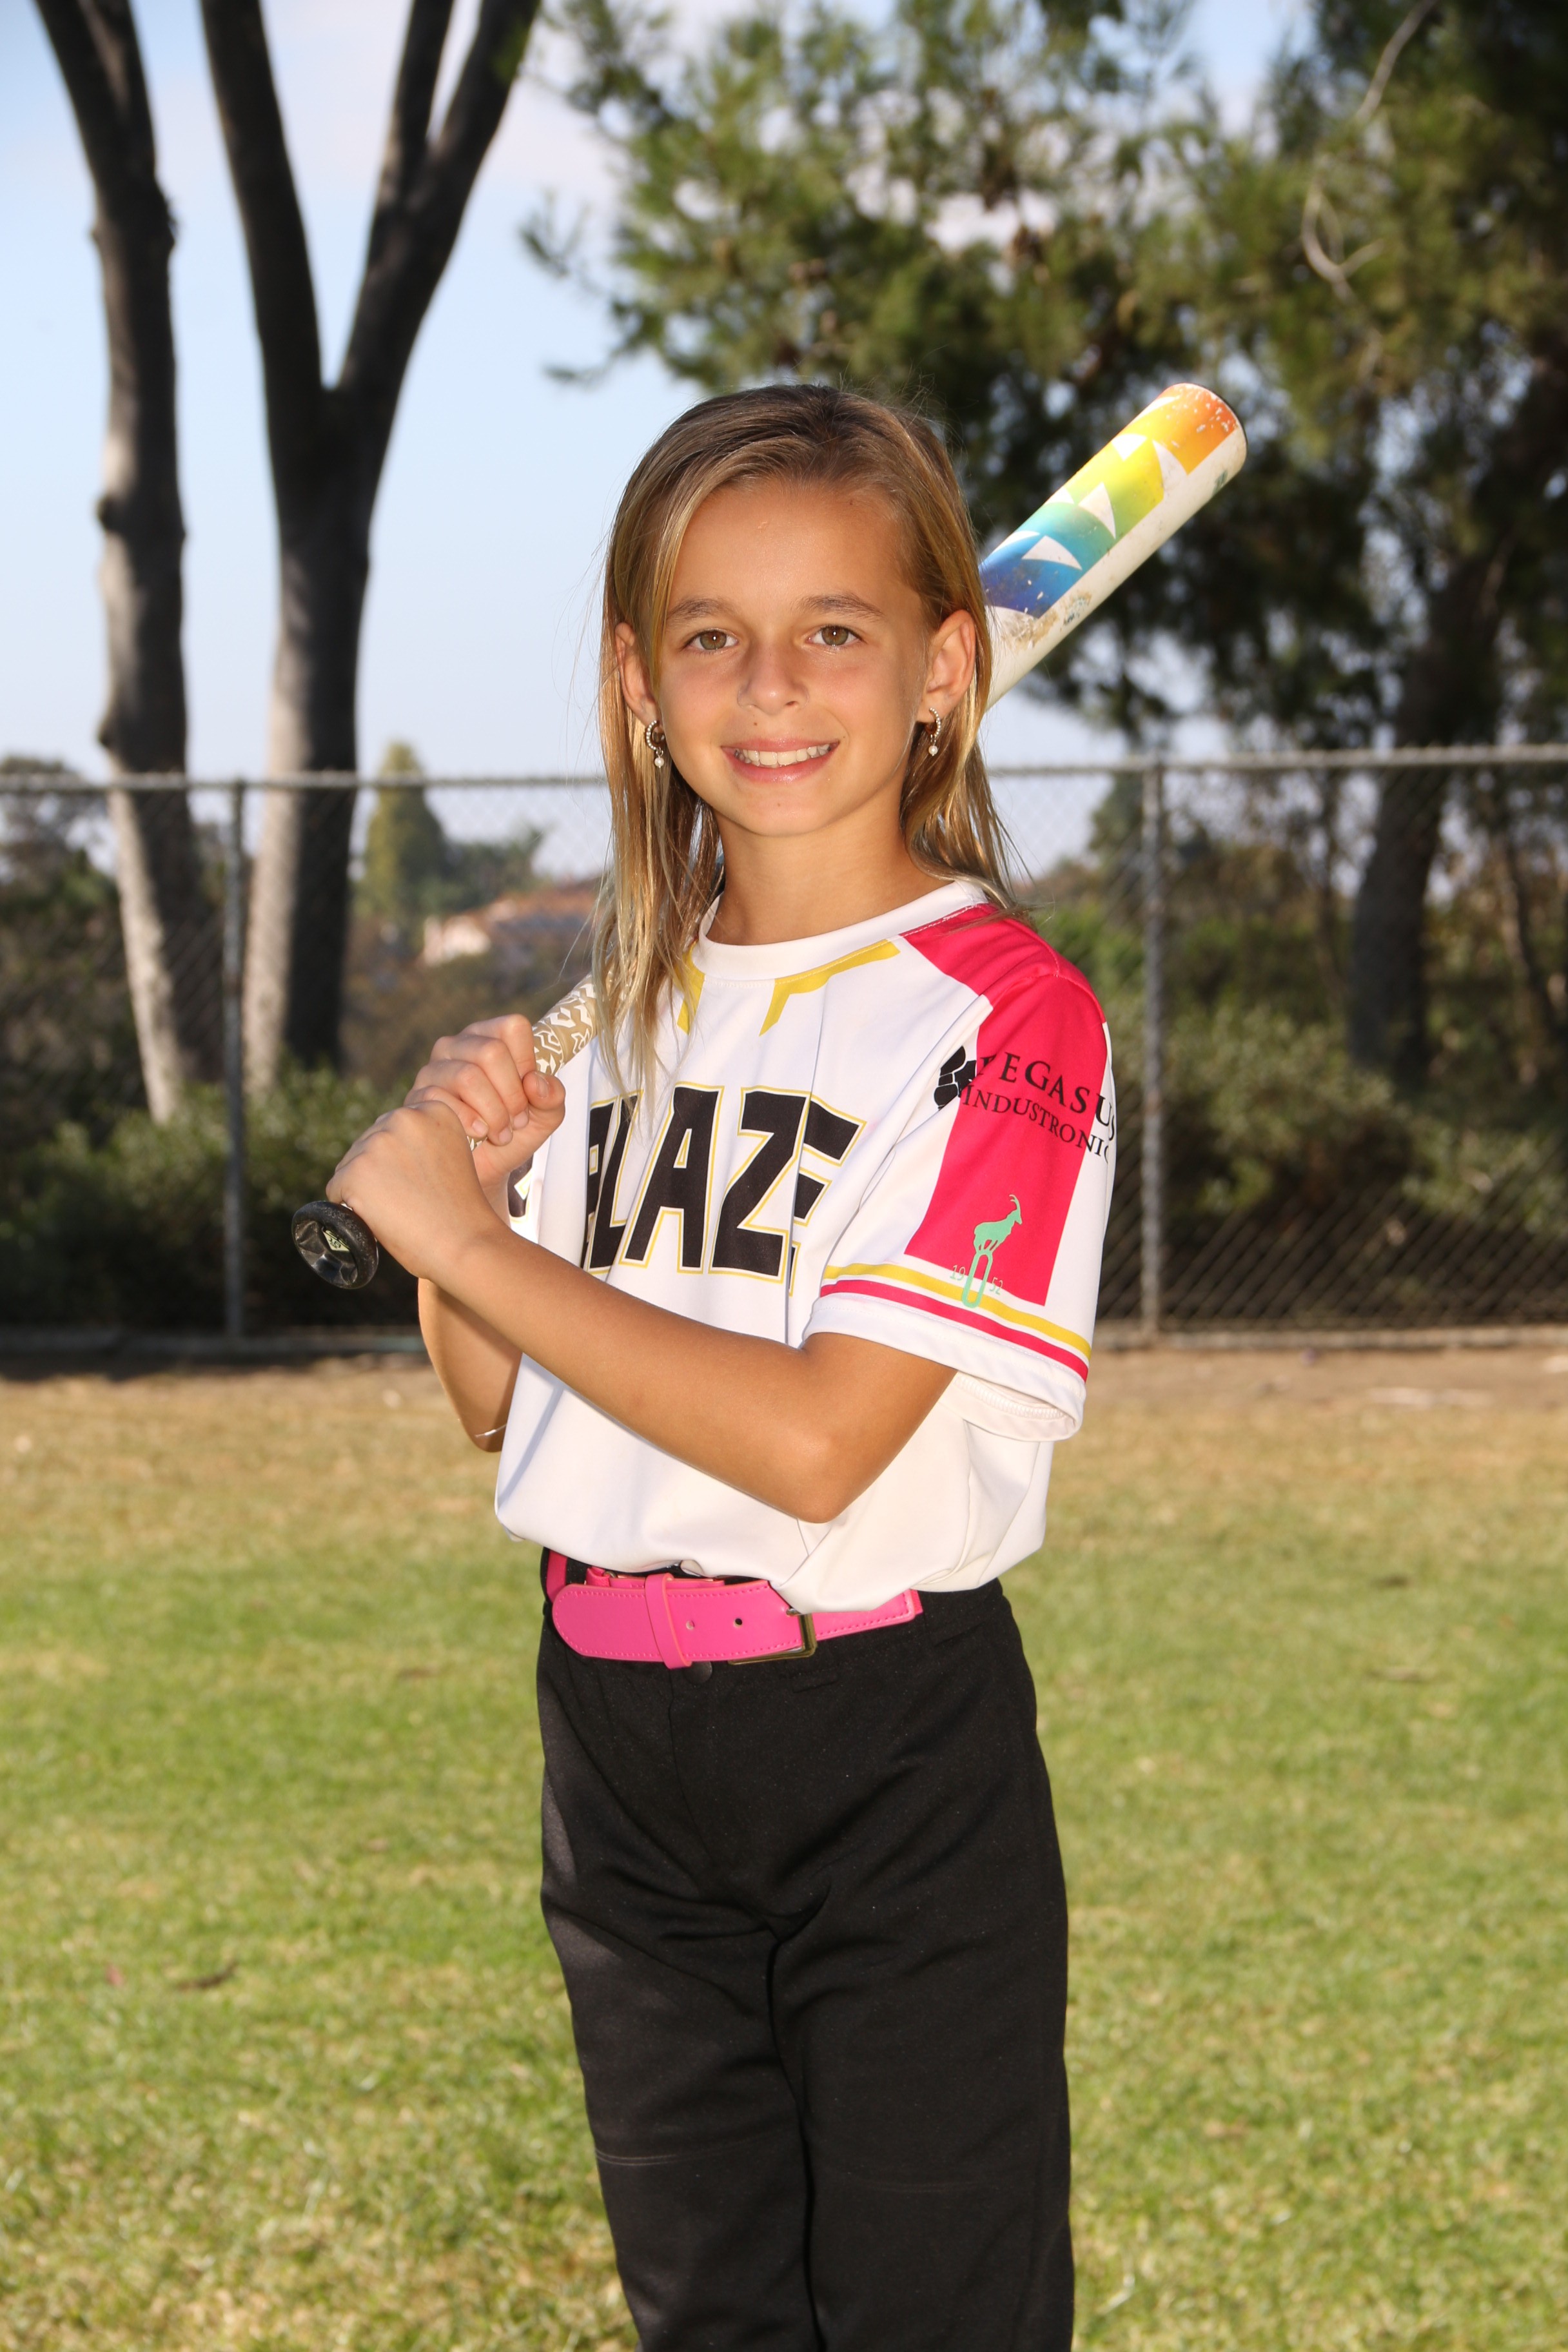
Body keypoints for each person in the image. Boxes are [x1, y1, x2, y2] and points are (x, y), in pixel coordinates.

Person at [328, 383, 1115, 2351]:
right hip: (613, 1745)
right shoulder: (632, 1003)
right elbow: (503, 1403)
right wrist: (479, 1214)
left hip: (881, 1748)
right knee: (710, 2319)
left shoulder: (1009, 1019)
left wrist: (470, 1242)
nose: (771, 686)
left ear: (944, 668)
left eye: (834, 630)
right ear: (636, 679)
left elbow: (823, 1441)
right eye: (710, 636)